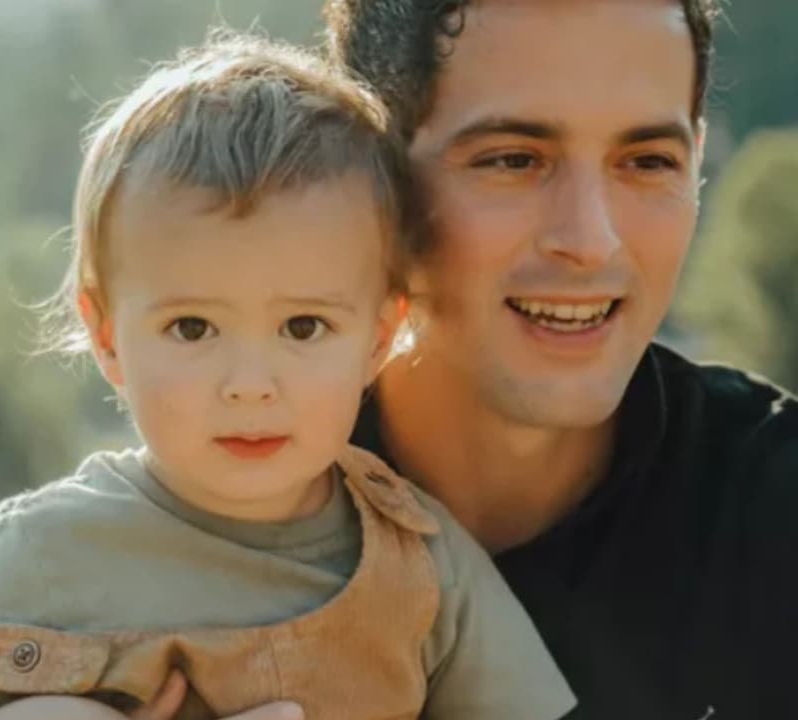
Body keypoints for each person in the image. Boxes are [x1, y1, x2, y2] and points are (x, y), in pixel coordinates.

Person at [0, 32, 575, 720]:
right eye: (193, 328)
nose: (250, 384)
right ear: (108, 337)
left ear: (378, 337)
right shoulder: (44, 557)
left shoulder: (424, 565)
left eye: (303, 327)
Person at [325, 0, 798, 717]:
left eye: (647, 161)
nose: (592, 240)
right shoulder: (197, 535)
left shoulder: (774, 511)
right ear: (369, 173)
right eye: (514, 159)